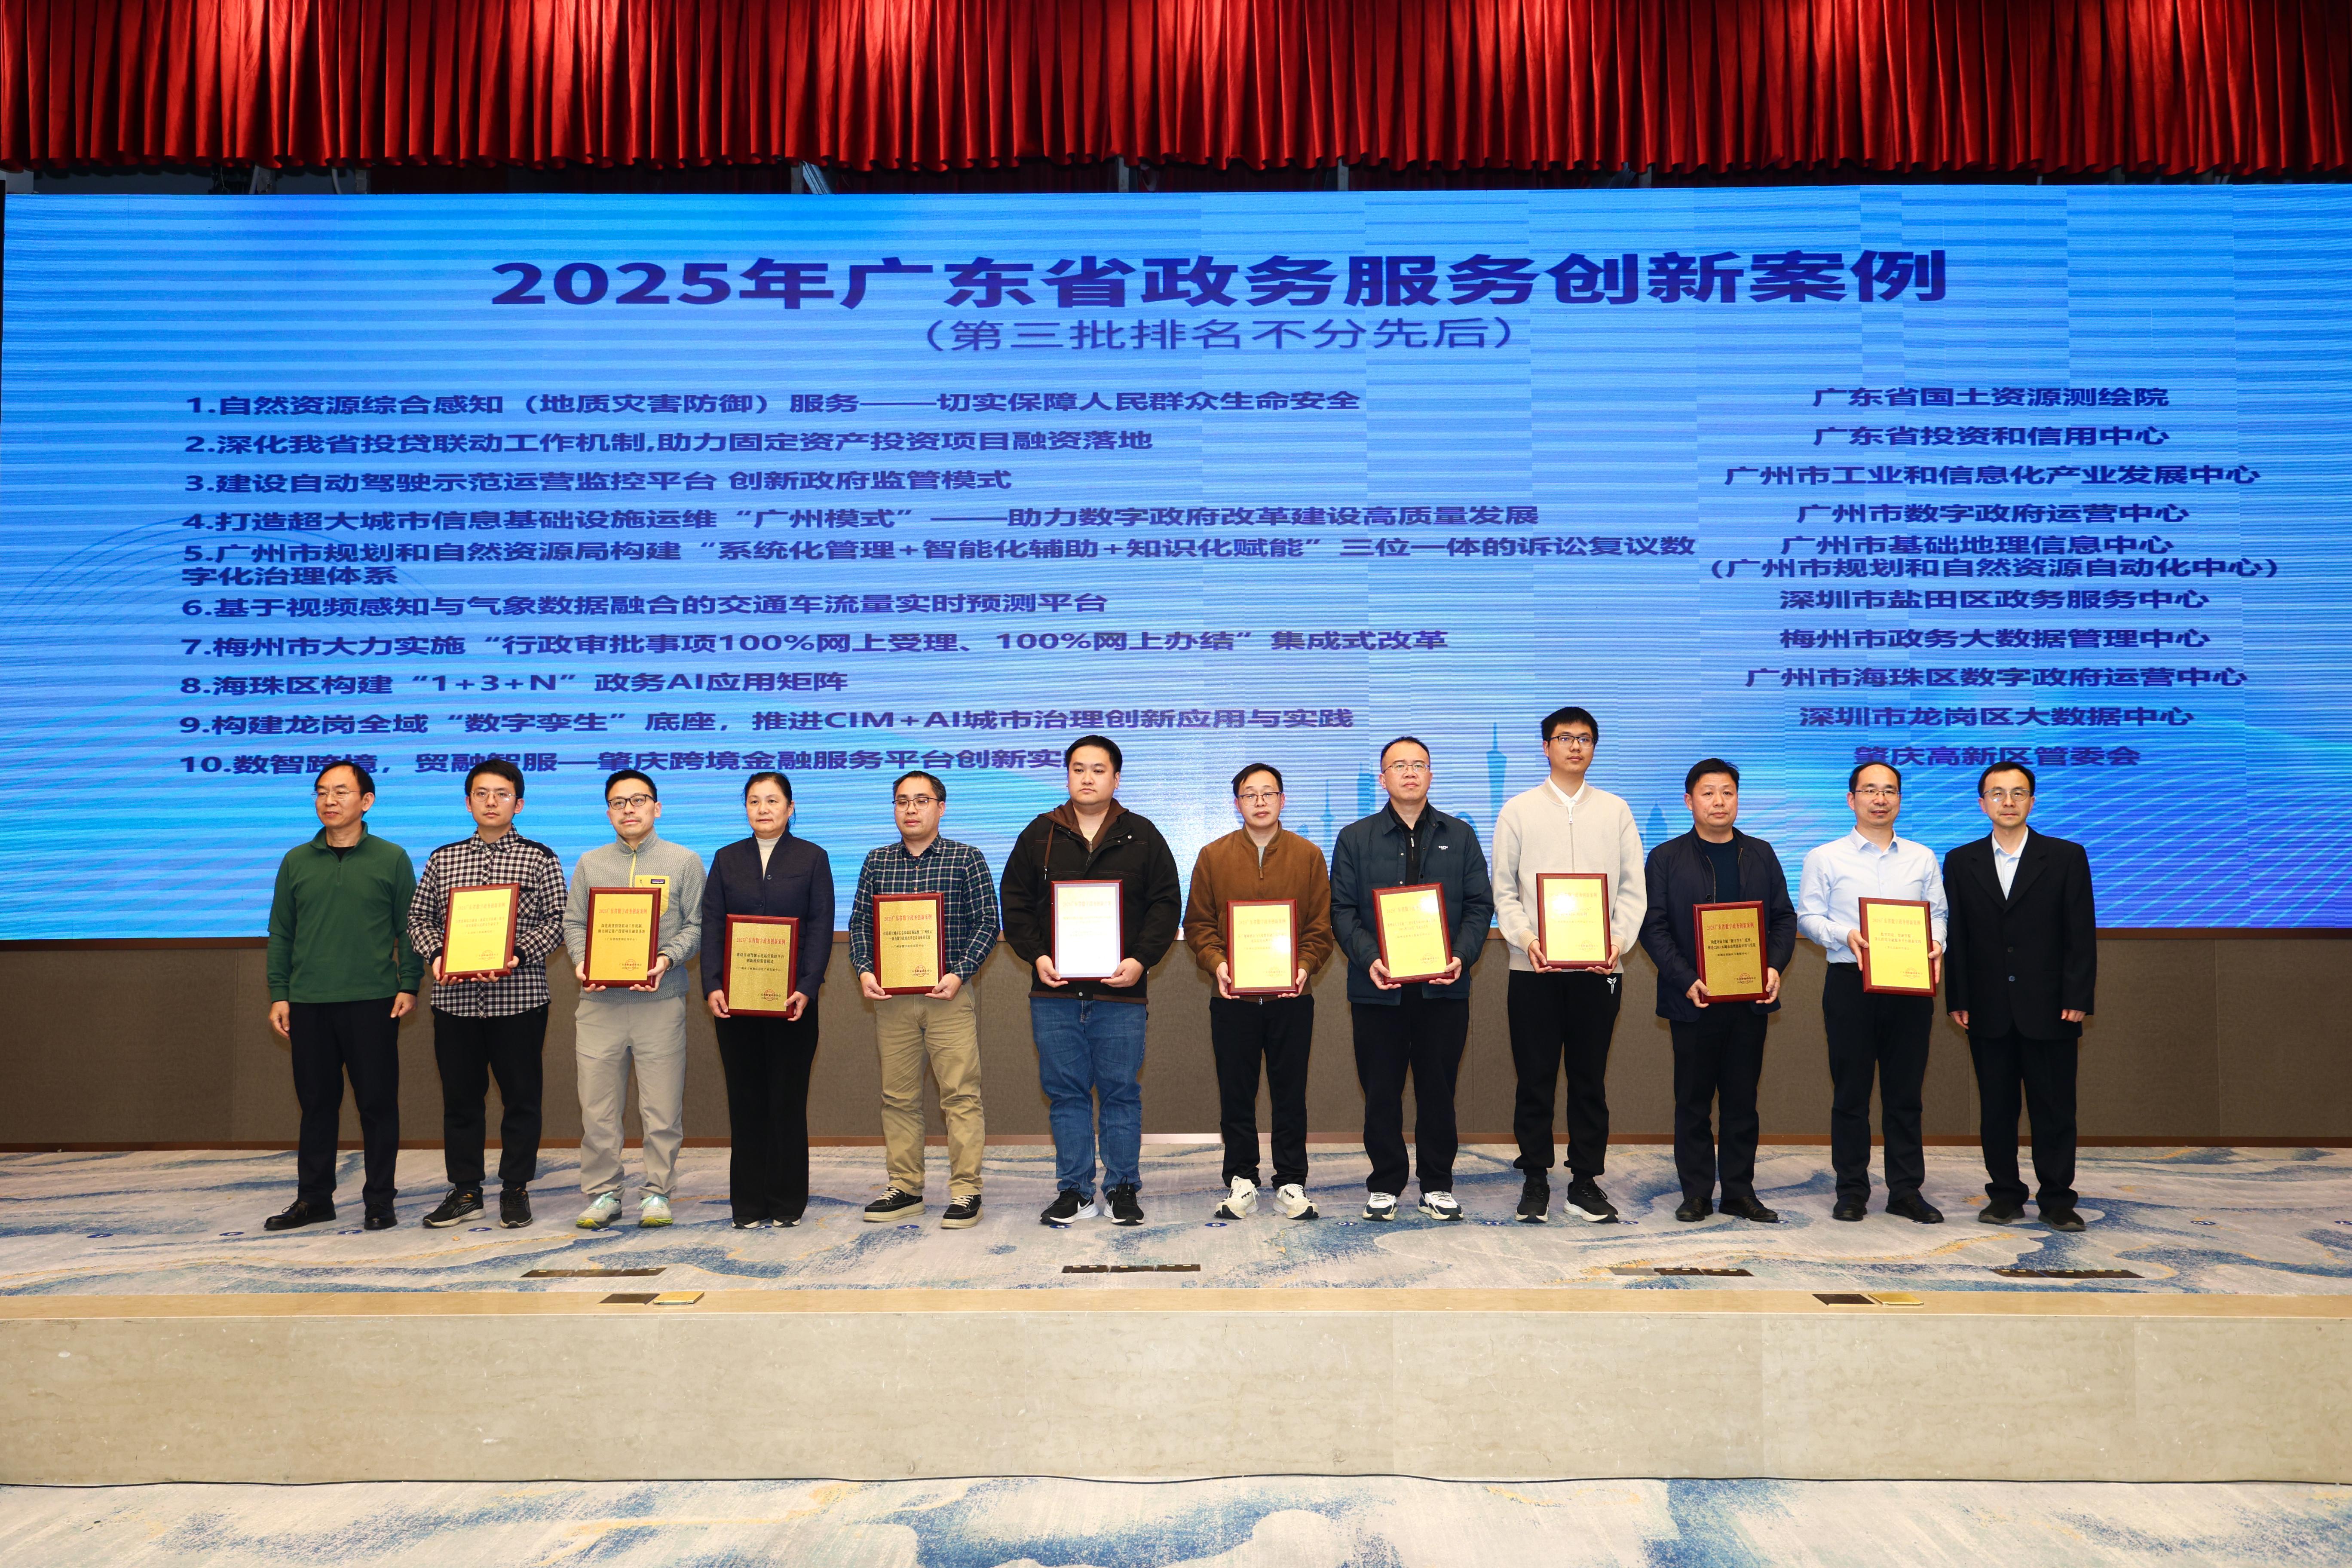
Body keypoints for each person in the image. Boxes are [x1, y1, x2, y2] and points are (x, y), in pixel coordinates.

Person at [999, 735, 1182, 1228]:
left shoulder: (1142, 835)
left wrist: (1141, 961)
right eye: (1078, 769)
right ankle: (1075, 1190)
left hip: (1121, 994)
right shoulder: (1039, 834)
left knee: (1121, 1093)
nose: (1087, 778)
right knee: (1066, 1094)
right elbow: (1015, 903)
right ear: (1067, 777)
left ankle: (1122, 1187)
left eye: (1098, 770)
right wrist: (1037, 955)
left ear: (1116, 779)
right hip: (1055, 994)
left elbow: (1166, 904)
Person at [1489, 706, 1647, 1225]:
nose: (1575, 746)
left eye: (1584, 738)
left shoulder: (1616, 811)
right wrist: (1526, 939)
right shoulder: (1518, 810)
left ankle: (1584, 1181)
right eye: (1564, 738)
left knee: (1588, 1080)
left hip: (1600, 971)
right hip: (1533, 968)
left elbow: (1633, 889)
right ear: (1546, 747)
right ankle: (1535, 1177)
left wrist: (1618, 942)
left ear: (1594, 748)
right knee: (1534, 1078)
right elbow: (1504, 890)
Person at [1329, 737, 1495, 1222]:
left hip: (1443, 989)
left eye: (1418, 764)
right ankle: (1385, 1184)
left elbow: (1479, 906)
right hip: (1377, 988)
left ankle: (1437, 1184)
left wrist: (1460, 956)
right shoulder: (1355, 838)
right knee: (1381, 1091)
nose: (1409, 772)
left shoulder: (1460, 835)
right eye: (1398, 765)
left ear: (1430, 775)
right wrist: (1370, 958)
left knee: (1438, 1091)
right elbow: (1342, 910)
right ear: (1382, 779)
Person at [405, 759, 568, 1229]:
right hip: (455, 1003)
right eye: (481, 793)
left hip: (519, 1000)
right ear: (468, 802)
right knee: (461, 1100)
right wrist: (438, 955)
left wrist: (516, 953)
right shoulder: (444, 859)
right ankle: (466, 1190)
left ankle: (515, 1188)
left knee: (521, 1099)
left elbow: (559, 920)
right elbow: (418, 919)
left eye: (502, 794)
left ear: (519, 804)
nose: (491, 802)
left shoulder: (540, 858)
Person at [261, 760, 421, 1232]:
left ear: (366, 801)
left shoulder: (392, 858)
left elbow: (409, 929)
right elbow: (281, 933)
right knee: (316, 1106)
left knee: (377, 1105)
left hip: (373, 1000)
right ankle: (314, 1199)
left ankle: (380, 1200)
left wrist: (409, 984)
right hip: (309, 1001)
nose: (329, 801)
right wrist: (280, 993)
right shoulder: (296, 860)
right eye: (321, 792)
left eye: (341, 792)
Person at [1638, 759, 1798, 1224]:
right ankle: (1696, 1194)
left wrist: (1774, 967)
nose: (1719, 802)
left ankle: (1739, 1192)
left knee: (1742, 1102)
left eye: (1727, 792)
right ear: (1689, 801)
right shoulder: (1666, 858)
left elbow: (1784, 918)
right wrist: (1685, 978)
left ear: (1737, 799)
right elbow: (1654, 927)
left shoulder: (1761, 853)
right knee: (1692, 1103)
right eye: (1708, 793)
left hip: (1749, 1001)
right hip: (1693, 999)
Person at [1943, 762, 2098, 1232]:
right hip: (1987, 1005)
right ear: (1982, 804)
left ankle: (2057, 1199)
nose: (2007, 802)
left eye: (2017, 793)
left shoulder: (2066, 856)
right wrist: (1958, 997)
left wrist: (2078, 994)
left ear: (2032, 801)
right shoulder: (1961, 860)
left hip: (2052, 1005)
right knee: (1997, 1109)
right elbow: (1958, 936)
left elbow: (2080, 933)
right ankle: (2005, 1195)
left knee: (2055, 1109)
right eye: (1997, 793)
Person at [1797, 760, 1949, 1224]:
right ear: (1852, 799)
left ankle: (1906, 1191)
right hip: (1850, 982)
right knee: (1851, 1094)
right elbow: (1808, 917)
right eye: (1869, 790)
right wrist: (1845, 935)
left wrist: (1936, 943)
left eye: (1889, 791)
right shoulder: (1825, 857)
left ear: (1899, 799)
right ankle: (1851, 1191)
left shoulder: (1922, 857)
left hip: (1909, 984)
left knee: (1906, 1095)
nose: (1880, 799)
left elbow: (1938, 914)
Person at [1182, 763, 1335, 1222]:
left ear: (1283, 800)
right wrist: (1219, 964)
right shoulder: (1213, 855)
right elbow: (1199, 925)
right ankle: (1242, 1178)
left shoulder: (1309, 855)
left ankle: (1291, 1180)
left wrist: (1304, 967)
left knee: (1290, 1093)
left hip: (1293, 998)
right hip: (1233, 999)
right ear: (1238, 804)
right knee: (1237, 1092)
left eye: (1269, 793)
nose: (1260, 802)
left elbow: (1321, 927)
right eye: (1250, 794)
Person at [850, 770, 1001, 1229]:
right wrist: (865, 969)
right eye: (902, 801)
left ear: (941, 807)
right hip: (892, 1000)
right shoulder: (877, 862)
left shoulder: (966, 858)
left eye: (921, 800)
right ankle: (905, 1187)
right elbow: (860, 924)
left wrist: (960, 973)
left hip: (948, 997)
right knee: (897, 1098)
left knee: (961, 1096)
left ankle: (966, 1190)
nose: (911, 809)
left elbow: (987, 922)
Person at [561, 770, 705, 1230]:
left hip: (660, 1000)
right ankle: (603, 1192)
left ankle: (657, 1191)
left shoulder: (684, 861)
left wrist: (665, 959)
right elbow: (574, 923)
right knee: (598, 1108)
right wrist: (583, 962)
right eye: (618, 803)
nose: (629, 809)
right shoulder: (591, 863)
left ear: (656, 808)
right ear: (608, 813)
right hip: (599, 1003)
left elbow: (697, 926)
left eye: (638, 800)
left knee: (661, 1108)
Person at [701, 770, 833, 1227]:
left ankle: (787, 1201)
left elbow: (820, 925)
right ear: (745, 808)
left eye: (773, 800)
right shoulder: (726, 859)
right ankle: (748, 1203)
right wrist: (713, 985)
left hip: (792, 1002)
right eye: (754, 801)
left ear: (790, 808)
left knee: (787, 1102)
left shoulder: (813, 857)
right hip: (735, 1002)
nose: (763, 808)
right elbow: (712, 924)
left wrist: (807, 987)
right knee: (745, 1101)